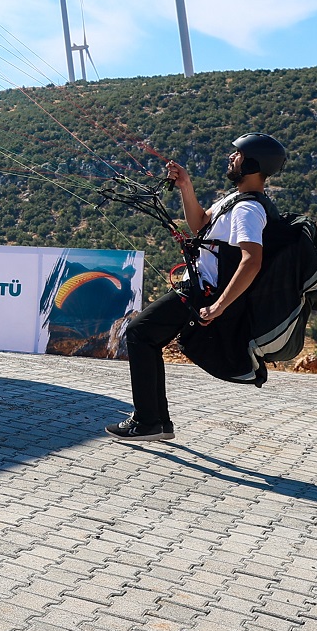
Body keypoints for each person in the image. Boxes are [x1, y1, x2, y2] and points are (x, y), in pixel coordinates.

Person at [108, 132, 285, 443]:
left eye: (239, 155)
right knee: (145, 336)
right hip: (199, 288)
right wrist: (185, 187)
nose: (232, 158)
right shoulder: (235, 199)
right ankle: (154, 421)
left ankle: (150, 421)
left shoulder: (248, 210)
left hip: (205, 293)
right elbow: (200, 225)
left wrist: (219, 307)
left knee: (139, 333)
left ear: (254, 164)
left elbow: (251, 261)